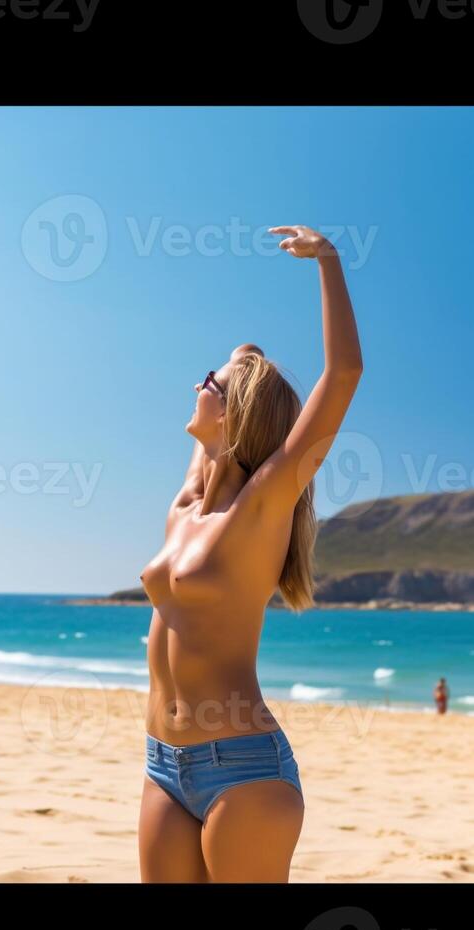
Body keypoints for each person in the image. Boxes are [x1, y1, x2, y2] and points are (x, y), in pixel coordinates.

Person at [138, 224, 363, 883]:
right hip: (162, 762)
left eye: (210, 382)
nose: (197, 384)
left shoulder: (261, 507)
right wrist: (241, 362)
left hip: (242, 769)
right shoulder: (188, 498)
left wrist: (326, 261)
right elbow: (243, 352)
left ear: (237, 414)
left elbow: (343, 373)